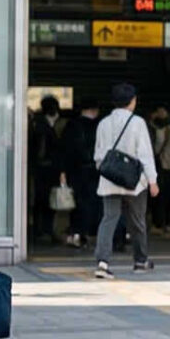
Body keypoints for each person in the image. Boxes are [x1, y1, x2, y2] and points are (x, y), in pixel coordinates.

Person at [91, 83, 158, 279]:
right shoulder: (138, 123)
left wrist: (107, 170)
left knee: (108, 219)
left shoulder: (103, 123)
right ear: (132, 101)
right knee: (137, 221)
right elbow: (145, 153)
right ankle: (140, 261)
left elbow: (98, 155)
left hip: (109, 179)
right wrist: (152, 180)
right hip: (134, 181)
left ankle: (102, 262)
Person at [56, 96, 101, 252]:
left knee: (78, 203)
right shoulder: (100, 126)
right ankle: (89, 233)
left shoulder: (72, 125)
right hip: (96, 170)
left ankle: (77, 233)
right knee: (94, 202)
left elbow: (64, 150)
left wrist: (63, 171)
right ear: (95, 110)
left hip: (76, 170)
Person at [26, 94, 64, 246]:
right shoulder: (40, 123)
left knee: (49, 200)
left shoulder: (45, 123)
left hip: (49, 167)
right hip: (43, 167)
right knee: (41, 199)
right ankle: (40, 229)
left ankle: (45, 229)